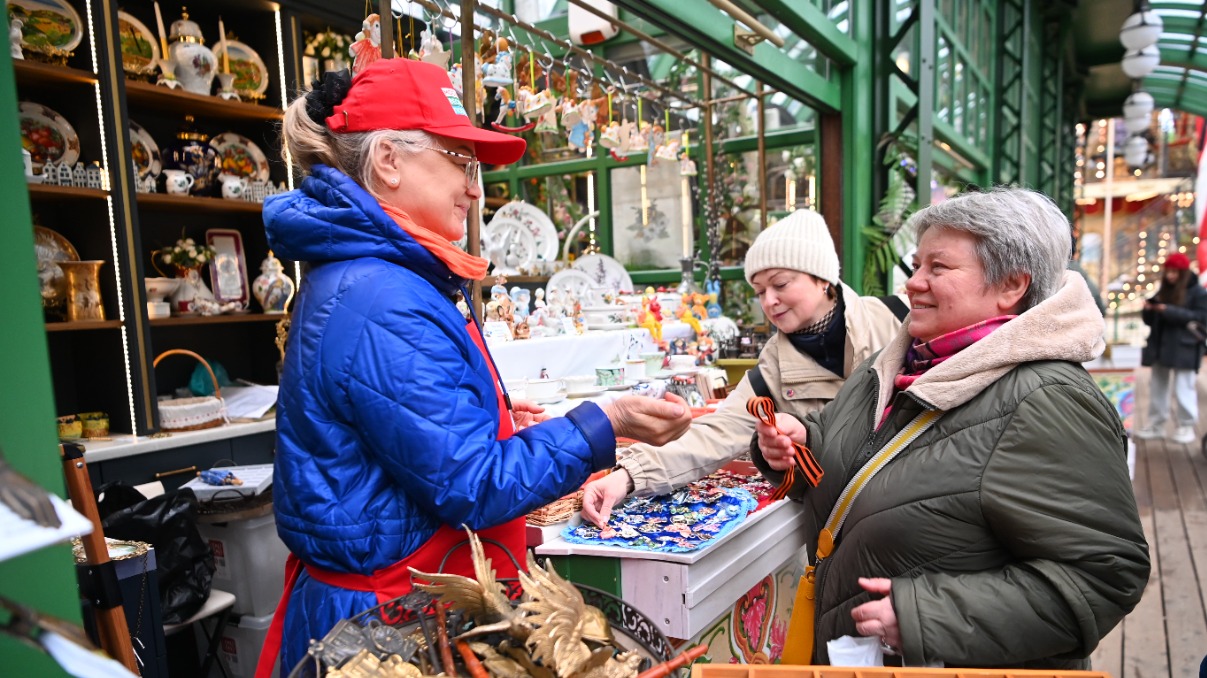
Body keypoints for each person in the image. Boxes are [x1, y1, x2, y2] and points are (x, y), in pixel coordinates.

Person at [255, 59, 692, 676]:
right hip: (388, 631)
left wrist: (492, 417)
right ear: (389, 160)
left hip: (402, 607)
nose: (474, 186)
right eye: (461, 160)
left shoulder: (383, 276)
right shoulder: (382, 296)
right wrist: (607, 420)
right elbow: (473, 485)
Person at [753, 188, 1149, 668]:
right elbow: (852, 451)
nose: (913, 283)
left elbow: (1104, 575)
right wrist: (797, 443)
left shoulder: (1047, 399)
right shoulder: (898, 362)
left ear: (1010, 285)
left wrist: (927, 616)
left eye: (937, 268)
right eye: (916, 265)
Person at [583, 209, 905, 525]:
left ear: (821, 278)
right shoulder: (771, 370)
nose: (769, 301)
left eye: (780, 284)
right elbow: (714, 434)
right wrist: (627, 477)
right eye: (760, 291)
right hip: (843, 528)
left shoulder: (900, 320)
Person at [1134, 252, 1207, 443]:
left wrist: (1168, 310)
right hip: (1161, 346)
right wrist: (1149, 309)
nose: (1171, 275)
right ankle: (1156, 424)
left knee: (1184, 388)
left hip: (1186, 347)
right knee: (1158, 387)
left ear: (1183, 273)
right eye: (1169, 271)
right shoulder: (1163, 291)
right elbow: (1150, 321)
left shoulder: (1199, 293)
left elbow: (1200, 318)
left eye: (1175, 271)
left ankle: (1186, 426)